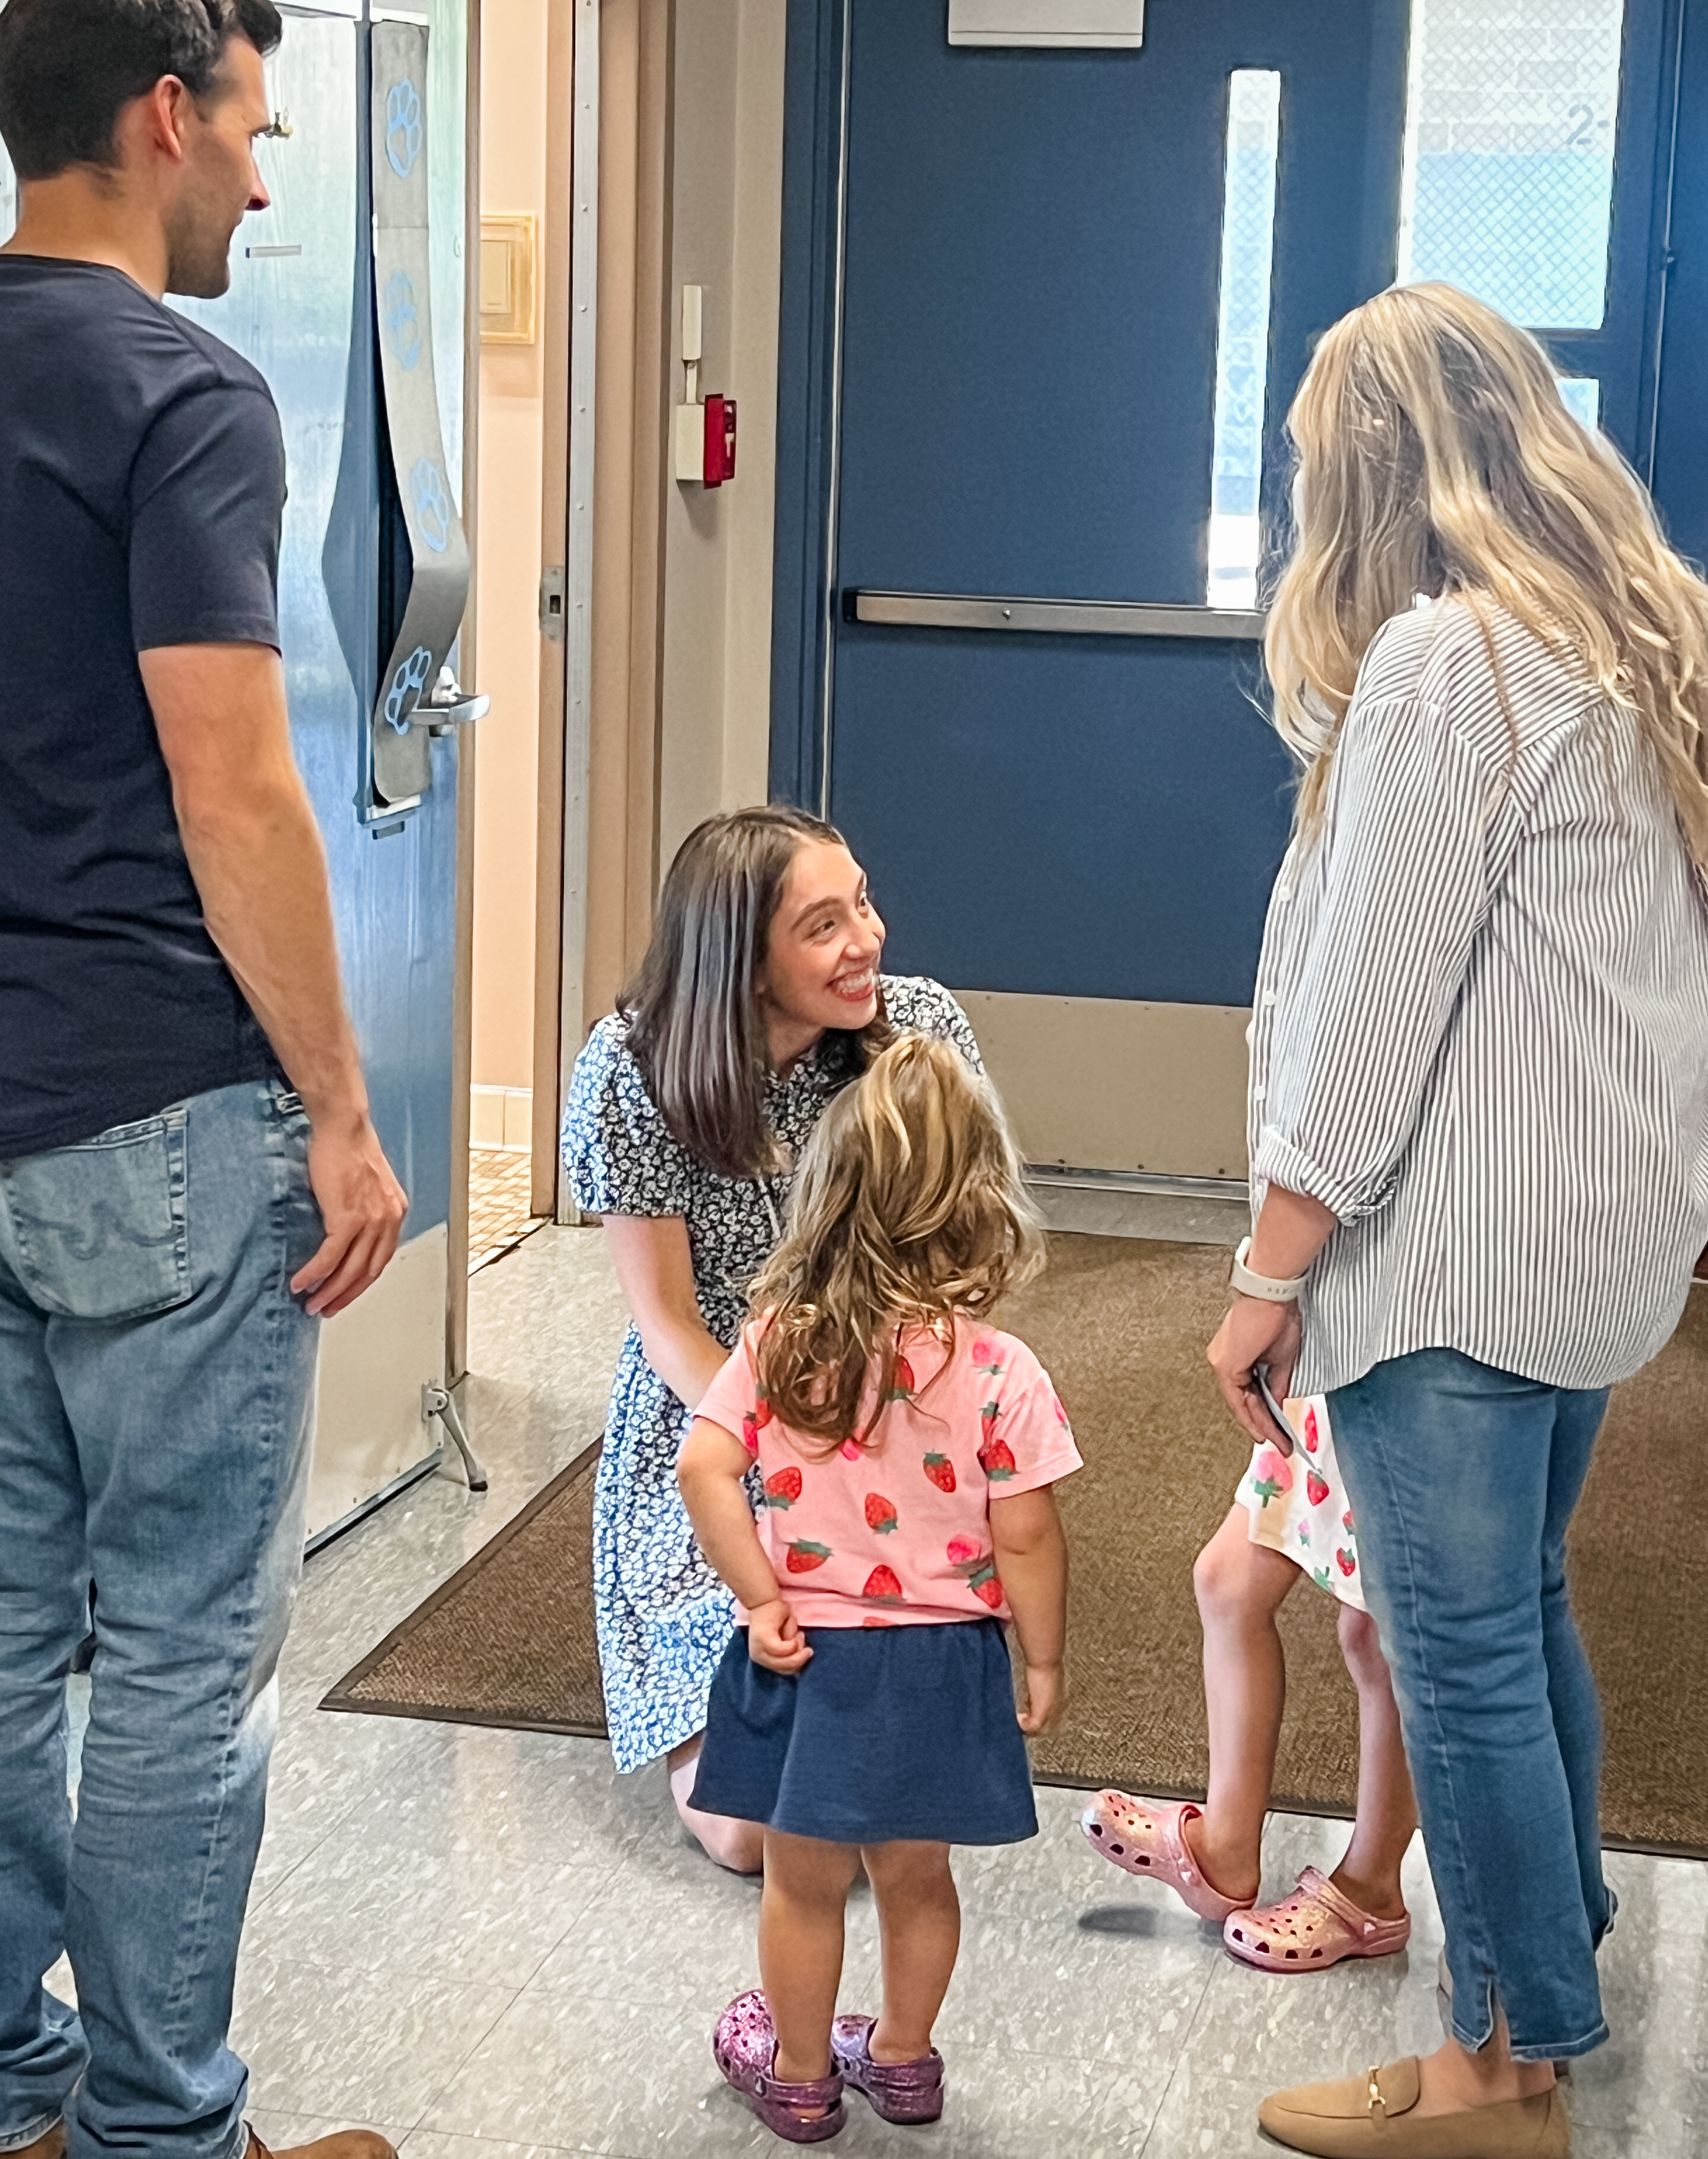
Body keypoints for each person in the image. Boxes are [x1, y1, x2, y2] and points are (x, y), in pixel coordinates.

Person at [0, 0, 407, 2159]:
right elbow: (234, 782)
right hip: (158, 1106)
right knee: (186, 1655)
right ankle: (155, 2127)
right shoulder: (183, 392)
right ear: (160, 116)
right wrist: (341, 1108)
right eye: (253, 134)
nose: (260, 187)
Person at [1207, 284, 1708, 2158]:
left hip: (1456, 1260)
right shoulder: (1643, 640)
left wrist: (1271, 1267)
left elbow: (1370, 1006)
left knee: (1457, 1644)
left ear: (1367, 470)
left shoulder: (1451, 661)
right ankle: (1556, 1942)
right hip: (1596, 1247)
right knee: (1521, 1604)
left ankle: (1504, 2067)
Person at [560, 806, 982, 1871]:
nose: (868, 939)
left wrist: (884, 1429)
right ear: (743, 964)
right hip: (713, 1425)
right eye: (823, 926)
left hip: (883, 1418)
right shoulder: (633, 1068)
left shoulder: (919, 1034)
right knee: (755, 1834)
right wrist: (786, 1442)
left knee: (859, 1790)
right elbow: (667, 1323)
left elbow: (959, 1267)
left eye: (863, 904)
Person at [677, 1034, 1081, 2141]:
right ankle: (902, 2061)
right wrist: (1042, 1656)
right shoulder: (1000, 1370)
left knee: (802, 1884)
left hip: (809, 1658)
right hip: (944, 1664)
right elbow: (1029, 1533)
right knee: (917, 1880)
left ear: (827, 1194)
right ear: (980, 1201)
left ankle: (800, 2073)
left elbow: (703, 1466)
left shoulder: (777, 1343)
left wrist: (760, 1595)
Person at [1081, 1388, 1417, 1974]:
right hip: (1339, 1368)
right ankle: (1225, 1847)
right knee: (1228, 1580)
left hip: (1405, 1368)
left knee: (1384, 1637)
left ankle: (1372, 1884)